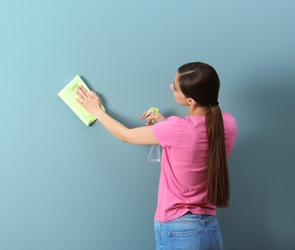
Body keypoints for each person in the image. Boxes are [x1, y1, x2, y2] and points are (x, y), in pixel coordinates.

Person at [75, 62, 238, 250]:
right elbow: (195, 138)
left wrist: (95, 109)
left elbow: (125, 136)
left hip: (179, 230)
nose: (171, 87)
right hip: (210, 230)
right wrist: (165, 125)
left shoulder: (176, 128)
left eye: (175, 87)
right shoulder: (228, 124)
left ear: (191, 100)